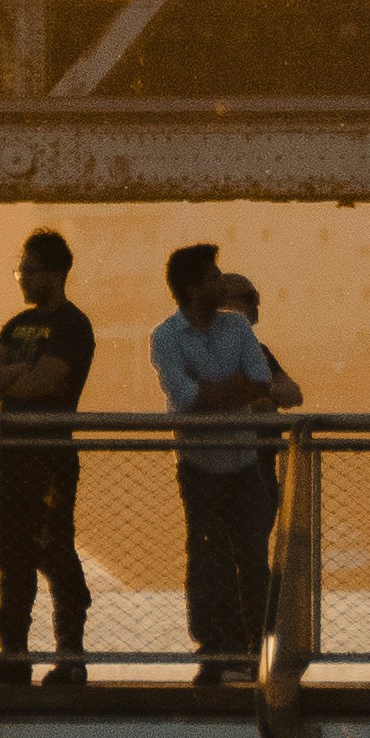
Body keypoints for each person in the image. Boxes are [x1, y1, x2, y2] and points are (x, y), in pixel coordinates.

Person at [147, 242, 308, 684]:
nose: (222, 284)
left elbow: (260, 381)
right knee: (205, 556)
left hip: (245, 464)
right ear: (192, 286)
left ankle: (255, 648)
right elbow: (186, 398)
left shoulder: (237, 329)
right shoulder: (165, 336)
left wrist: (212, 392)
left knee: (253, 558)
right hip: (199, 463)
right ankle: (214, 649)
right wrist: (233, 391)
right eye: (214, 278)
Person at [0, 229, 100, 684]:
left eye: (29, 269)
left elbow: (47, 382)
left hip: (50, 456)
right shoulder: (16, 324)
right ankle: (14, 657)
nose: (22, 277)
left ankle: (70, 656)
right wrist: (16, 375)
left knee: (54, 547)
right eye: (20, 268)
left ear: (56, 273)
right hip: (8, 455)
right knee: (13, 555)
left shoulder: (73, 325)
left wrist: (13, 380)